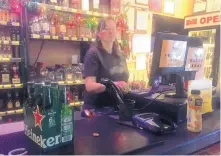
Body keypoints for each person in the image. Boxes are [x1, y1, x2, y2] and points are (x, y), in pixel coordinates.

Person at [83, 17, 129, 110]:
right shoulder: (93, 54)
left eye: (113, 29)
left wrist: (131, 85)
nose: (110, 32)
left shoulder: (120, 55)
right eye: (106, 29)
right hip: (97, 109)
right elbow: (89, 86)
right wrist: (112, 85)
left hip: (116, 107)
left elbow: (124, 80)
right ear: (98, 33)